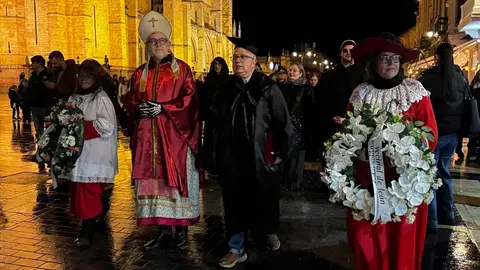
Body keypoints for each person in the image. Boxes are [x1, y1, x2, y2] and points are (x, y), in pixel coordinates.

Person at [346, 32, 438, 270]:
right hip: (367, 182)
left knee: (401, 240)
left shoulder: (414, 91)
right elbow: (348, 133)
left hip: (404, 182)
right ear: (373, 62)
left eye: (395, 58)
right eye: (385, 57)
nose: (390, 63)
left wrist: (401, 146)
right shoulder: (361, 93)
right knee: (366, 238)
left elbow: (430, 136)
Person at [123, 10, 202, 250]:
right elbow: (130, 99)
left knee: (176, 185)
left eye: (162, 41)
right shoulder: (139, 73)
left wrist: (164, 108)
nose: (157, 44)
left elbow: (190, 100)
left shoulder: (182, 70)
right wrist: (140, 109)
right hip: (149, 139)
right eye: (152, 41)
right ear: (147, 46)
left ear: (169, 44)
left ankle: (182, 231)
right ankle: (162, 230)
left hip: (176, 138)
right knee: (154, 185)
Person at [213, 37, 293, 268]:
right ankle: (236, 247)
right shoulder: (226, 88)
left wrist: (280, 152)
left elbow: (283, 122)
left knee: (264, 199)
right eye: (235, 57)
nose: (237, 62)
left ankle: (267, 231)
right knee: (234, 203)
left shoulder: (268, 87)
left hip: (261, 157)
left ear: (253, 62)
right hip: (233, 157)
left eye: (243, 57)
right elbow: (216, 122)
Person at [67, 59, 118, 248]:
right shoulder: (74, 97)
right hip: (78, 154)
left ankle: (86, 232)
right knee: (81, 192)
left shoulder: (101, 99)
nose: (84, 79)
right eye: (81, 75)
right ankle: (98, 213)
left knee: (89, 193)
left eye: (88, 76)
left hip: (95, 153)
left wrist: (78, 128)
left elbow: (107, 125)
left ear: (96, 78)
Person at [419, 43, 465, 232]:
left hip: (433, 135)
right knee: (444, 173)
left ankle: (432, 221)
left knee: (429, 176)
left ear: (436, 57)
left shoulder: (427, 80)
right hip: (452, 135)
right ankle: (449, 214)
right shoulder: (460, 79)